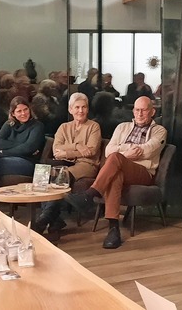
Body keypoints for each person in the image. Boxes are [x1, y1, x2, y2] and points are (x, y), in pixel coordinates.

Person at [74, 96, 167, 249]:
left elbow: (148, 150)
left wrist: (122, 152)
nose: (140, 113)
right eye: (137, 110)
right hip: (120, 168)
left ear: (152, 111)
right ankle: (113, 229)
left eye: (144, 110)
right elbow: (108, 150)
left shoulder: (159, 130)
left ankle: (89, 195)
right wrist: (128, 153)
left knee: (116, 158)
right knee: (116, 175)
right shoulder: (122, 127)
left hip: (143, 172)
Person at [35, 93, 102, 240]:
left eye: (84, 107)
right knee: (45, 175)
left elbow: (91, 151)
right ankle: (55, 222)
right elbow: (56, 151)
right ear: (70, 109)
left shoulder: (93, 126)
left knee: (61, 174)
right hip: (65, 164)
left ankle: (45, 218)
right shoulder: (63, 127)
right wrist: (77, 146)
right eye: (77, 107)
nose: (80, 111)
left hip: (87, 165)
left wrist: (67, 152)